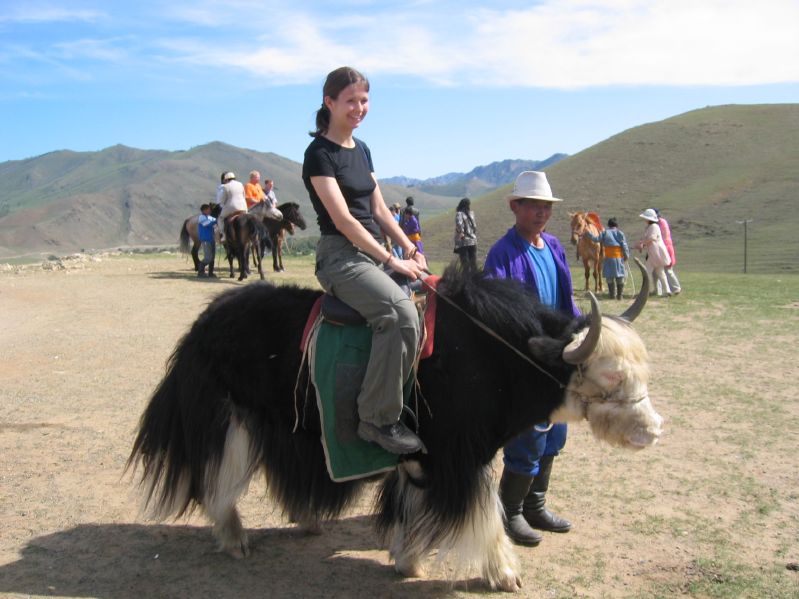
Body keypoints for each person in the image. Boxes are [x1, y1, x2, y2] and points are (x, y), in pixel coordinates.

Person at [302, 66, 428, 454]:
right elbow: (344, 220)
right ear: (330, 103)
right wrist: (392, 258)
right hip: (342, 257)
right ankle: (376, 418)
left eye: (364, 100)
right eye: (351, 101)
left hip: (374, 250)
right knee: (399, 315)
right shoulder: (318, 155)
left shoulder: (363, 149)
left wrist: (408, 247)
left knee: (433, 297)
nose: (359, 108)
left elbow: (378, 208)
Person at [484, 170, 578, 547]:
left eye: (546, 207)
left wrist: (576, 334)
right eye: (533, 206)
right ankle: (511, 512)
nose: (541, 213)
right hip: (524, 358)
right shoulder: (502, 252)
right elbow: (494, 309)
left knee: (555, 430)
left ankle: (536, 505)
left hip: (558, 356)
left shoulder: (553, 246)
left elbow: (566, 298)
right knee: (529, 433)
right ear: (515, 207)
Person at [583, 217, 629, 299]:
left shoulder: (605, 233)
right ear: (616, 225)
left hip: (609, 258)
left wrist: (589, 233)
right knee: (620, 277)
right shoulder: (620, 233)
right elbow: (624, 246)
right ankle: (620, 295)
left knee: (609, 277)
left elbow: (596, 239)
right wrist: (626, 256)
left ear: (608, 225)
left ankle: (612, 295)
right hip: (618, 258)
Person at [634, 208, 671, 297]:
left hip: (656, 252)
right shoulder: (651, 227)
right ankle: (665, 291)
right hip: (654, 253)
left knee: (648, 272)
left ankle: (651, 290)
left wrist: (642, 243)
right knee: (659, 272)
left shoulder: (653, 227)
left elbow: (652, 238)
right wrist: (642, 244)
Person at [654, 208, 681, 295]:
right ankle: (661, 290)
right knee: (659, 270)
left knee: (667, 269)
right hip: (665, 247)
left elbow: (659, 237)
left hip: (664, 247)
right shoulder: (661, 222)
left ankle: (675, 288)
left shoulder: (660, 223)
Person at [217, 171, 247, 242]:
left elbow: (221, 200)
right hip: (243, 207)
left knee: (220, 218)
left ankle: (223, 235)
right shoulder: (240, 184)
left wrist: (223, 204)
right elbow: (244, 196)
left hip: (231, 208)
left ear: (226, 179)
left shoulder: (225, 186)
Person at [453, 197, 477, 269]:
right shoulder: (471, 213)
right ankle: (475, 278)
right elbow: (475, 226)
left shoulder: (459, 214)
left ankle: (466, 278)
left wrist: (461, 233)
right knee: (473, 263)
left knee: (465, 264)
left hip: (464, 242)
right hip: (473, 241)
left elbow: (459, 225)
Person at [197, 203, 217, 278]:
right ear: (204, 210)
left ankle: (210, 273)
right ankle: (200, 272)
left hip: (211, 239)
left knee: (212, 257)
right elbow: (207, 224)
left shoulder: (210, 217)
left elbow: (215, 221)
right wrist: (216, 221)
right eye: (208, 209)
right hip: (205, 240)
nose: (210, 210)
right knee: (208, 257)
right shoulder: (201, 217)